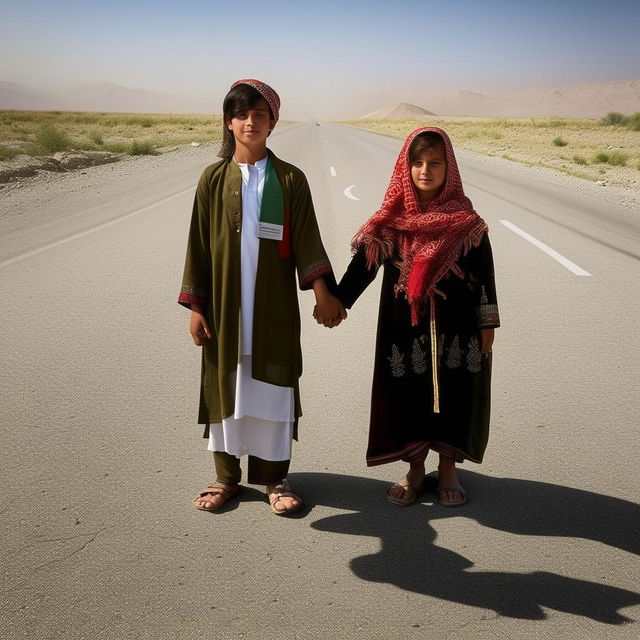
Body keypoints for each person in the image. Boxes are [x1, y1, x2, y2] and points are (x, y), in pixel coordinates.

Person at [179, 79, 345, 515]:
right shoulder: (212, 179)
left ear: (272, 122)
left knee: (270, 389)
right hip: (223, 308)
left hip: (272, 308)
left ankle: (274, 480)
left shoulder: (289, 179)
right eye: (241, 114)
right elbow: (198, 245)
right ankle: (225, 477)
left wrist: (324, 295)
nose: (250, 122)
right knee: (227, 386)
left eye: (260, 114)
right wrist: (197, 307)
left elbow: (308, 240)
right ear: (229, 122)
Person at [328, 126, 500, 507]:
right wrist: (335, 300)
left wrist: (487, 321)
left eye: (435, 162)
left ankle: (449, 468)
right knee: (408, 394)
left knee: (456, 391)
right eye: (418, 162)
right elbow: (364, 268)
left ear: (448, 167)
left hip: (459, 327)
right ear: (405, 168)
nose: (426, 170)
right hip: (403, 328)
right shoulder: (390, 222)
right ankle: (416, 467)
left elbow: (485, 274)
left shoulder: (467, 222)